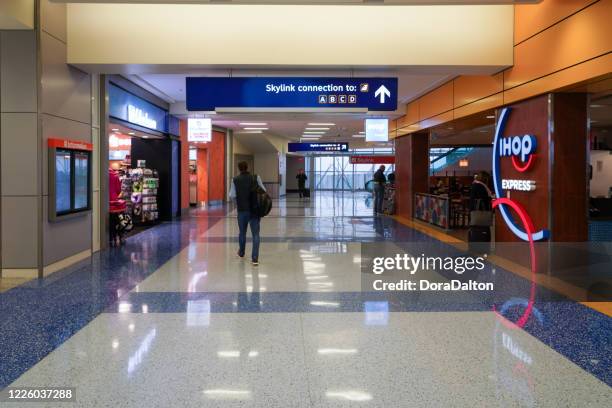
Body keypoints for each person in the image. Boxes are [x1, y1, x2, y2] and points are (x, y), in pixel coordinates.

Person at [229, 161, 266, 266]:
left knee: (242, 233)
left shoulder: (235, 180)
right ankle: (255, 259)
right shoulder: (255, 177)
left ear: (239, 168)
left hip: (242, 210)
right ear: (247, 167)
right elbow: (263, 190)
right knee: (256, 234)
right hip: (254, 210)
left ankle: (241, 253)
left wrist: (238, 203)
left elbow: (232, 195)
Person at [109, 168, 127, 246]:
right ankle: (120, 236)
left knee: (110, 221)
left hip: (103, 202)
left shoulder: (100, 174)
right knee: (118, 219)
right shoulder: (115, 176)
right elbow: (118, 190)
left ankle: (110, 238)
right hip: (114, 202)